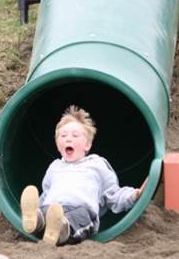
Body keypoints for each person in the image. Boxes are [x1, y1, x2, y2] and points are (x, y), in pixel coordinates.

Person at [20, 105, 147, 245]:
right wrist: (37, 205)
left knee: (75, 218)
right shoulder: (54, 167)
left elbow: (113, 194)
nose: (68, 139)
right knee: (47, 210)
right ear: (57, 144)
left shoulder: (97, 165)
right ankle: (36, 220)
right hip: (53, 209)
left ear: (87, 145)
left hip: (82, 211)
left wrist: (134, 195)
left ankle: (60, 229)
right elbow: (47, 193)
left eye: (75, 135)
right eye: (63, 136)